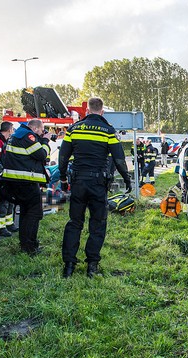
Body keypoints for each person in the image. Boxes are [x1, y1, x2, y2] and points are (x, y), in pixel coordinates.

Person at [59, 97, 124, 278]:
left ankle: (69, 266)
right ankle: (92, 267)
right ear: (102, 111)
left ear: (87, 111)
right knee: (97, 224)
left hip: (78, 182)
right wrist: (126, 178)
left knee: (74, 223)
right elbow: (119, 158)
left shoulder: (74, 129)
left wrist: (63, 178)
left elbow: (63, 157)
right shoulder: (108, 131)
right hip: (97, 184)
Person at [1, 119, 49, 255]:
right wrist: (45, 141)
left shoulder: (18, 134)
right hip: (26, 182)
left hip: (17, 181)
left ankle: (25, 244)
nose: (42, 133)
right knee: (34, 213)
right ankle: (30, 247)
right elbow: (42, 155)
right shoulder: (28, 136)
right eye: (41, 130)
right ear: (35, 129)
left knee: (25, 212)